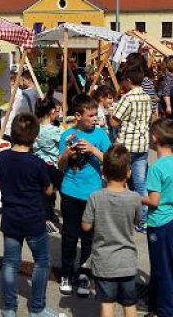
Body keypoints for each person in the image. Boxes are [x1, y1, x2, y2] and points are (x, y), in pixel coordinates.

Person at [0, 114, 61, 317]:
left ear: (12, 133)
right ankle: (37, 308)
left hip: (11, 217)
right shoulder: (37, 163)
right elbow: (48, 190)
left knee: (10, 262)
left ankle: (8, 308)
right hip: (33, 218)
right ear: (35, 137)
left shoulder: (3, 156)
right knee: (41, 261)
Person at [58, 94, 112, 297]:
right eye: (91, 115)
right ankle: (67, 272)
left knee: (89, 237)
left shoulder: (100, 135)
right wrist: (67, 154)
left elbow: (111, 161)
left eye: (96, 115)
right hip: (70, 192)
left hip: (93, 194)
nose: (96, 119)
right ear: (78, 116)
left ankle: (84, 273)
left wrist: (92, 150)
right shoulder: (67, 135)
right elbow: (60, 166)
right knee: (70, 235)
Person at [82, 144, 142, 317]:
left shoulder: (95, 197)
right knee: (130, 304)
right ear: (129, 172)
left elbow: (86, 226)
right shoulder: (134, 198)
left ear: (103, 172)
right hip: (127, 262)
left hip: (104, 262)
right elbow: (137, 220)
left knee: (107, 305)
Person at [141, 118, 173, 317]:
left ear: (154, 138)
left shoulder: (156, 168)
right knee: (162, 263)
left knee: (163, 267)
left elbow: (153, 201)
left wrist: (135, 197)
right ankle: (154, 301)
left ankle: (166, 309)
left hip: (158, 222)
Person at [110, 65, 153, 232]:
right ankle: (143, 219)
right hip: (142, 144)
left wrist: (110, 113)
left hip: (126, 144)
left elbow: (114, 121)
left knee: (120, 180)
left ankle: (120, 216)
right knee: (140, 183)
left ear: (128, 80)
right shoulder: (146, 97)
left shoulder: (127, 98)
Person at [34, 96, 62, 232]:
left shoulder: (35, 129)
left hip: (39, 165)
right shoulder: (55, 131)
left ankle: (46, 218)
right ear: (51, 111)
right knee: (58, 192)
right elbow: (64, 143)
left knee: (44, 194)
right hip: (53, 166)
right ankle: (51, 218)